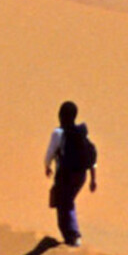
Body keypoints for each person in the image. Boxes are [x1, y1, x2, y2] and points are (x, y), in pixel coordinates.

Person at [43, 101, 97, 245]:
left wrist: (47, 166)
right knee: (66, 202)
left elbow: (49, 154)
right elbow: (91, 155)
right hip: (81, 176)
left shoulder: (59, 133)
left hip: (66, 175)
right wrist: (93, 179)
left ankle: (72, 237)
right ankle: (71, 236)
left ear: (60, 115)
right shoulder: (80, 133)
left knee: (63, 204)